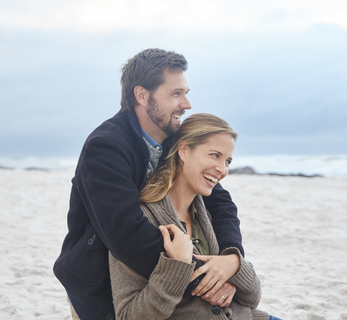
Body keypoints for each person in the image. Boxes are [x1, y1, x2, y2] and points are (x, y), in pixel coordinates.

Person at [53, 48, 245, 320]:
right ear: (142, 95)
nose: (187, 104)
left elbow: (221, 203)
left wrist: (231, 260)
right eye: (176, 93)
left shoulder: (172, 139)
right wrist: (205, 280)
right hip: (97, 287)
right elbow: (127, 234)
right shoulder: (106, 146)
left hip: (158, 284)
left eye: (186, 93)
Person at [109, 113, 270, 319]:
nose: (222, 170)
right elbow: (129, 316)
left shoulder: (213, 215)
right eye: (214, 155)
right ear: (183, 150)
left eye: (228, 161)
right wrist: (176, 268)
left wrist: (234, 264)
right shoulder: (141, 220)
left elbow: (252, 298)